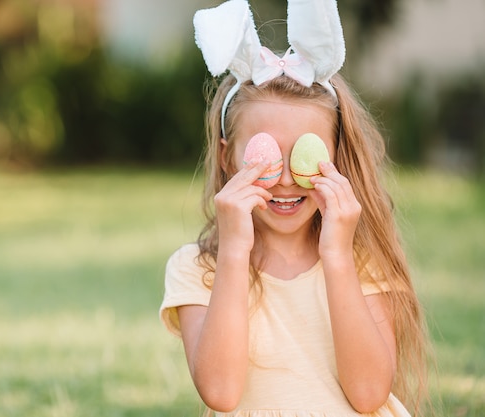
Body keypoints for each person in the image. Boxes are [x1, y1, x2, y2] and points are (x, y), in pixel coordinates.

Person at [159, 0, 430, 416]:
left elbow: (370, 393)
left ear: (336, 156)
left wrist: (336, 255)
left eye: (304, 153)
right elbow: (221, 392)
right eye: (265, 156)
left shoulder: (361, 261)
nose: (285, 178)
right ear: (229, 158)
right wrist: (233, 251)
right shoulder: (198, 269)